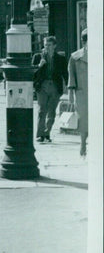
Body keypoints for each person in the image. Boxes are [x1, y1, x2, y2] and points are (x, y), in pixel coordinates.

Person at [33, 35, 68, 143]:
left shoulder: (61, 59)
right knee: (41, 111)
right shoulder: (38, 57)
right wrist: (39, 66)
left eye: (49, 45)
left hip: (55, 87)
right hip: (42, 86)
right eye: (45, 45)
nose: (46, 47)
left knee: (51, 111)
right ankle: (40, 135)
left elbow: (65, 74)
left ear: (54, 46)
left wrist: (68, 85)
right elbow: (31, 72)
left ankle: (47, 133)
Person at [67, 28, 88, 157]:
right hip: (82, 94)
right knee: (83, 120)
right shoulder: (75, 57)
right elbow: (71, 78)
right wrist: (70, 96)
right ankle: (83, 144)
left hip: (97, 91)